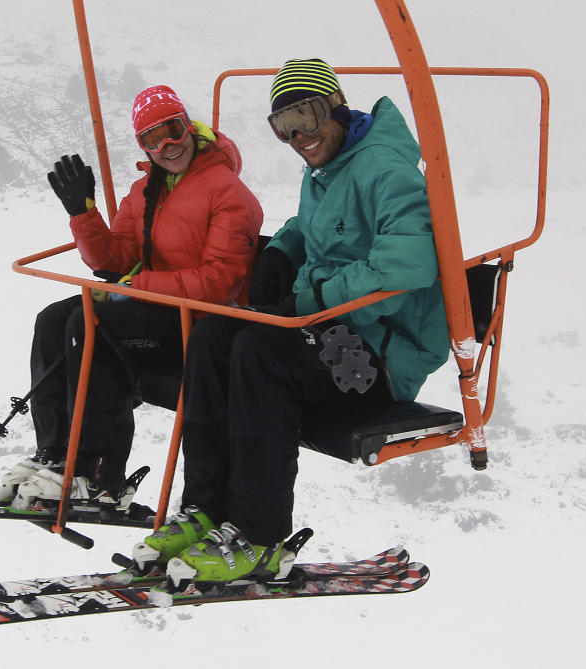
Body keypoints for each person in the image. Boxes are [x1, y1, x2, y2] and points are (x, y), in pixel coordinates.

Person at [132, 58, 450, 585]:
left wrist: (314, 296)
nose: (298, 137)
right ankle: (207, 510)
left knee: (261, 354)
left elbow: (407, 263)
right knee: (214, 333)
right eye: (283, 128)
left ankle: (259, 536)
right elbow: (312, 224)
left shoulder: (386, 169)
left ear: (335, 106)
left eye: (304, 117)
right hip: (334, 333)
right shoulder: (328, 167)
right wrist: (282, 249)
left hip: (377, 359)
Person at [0, 85, 264, 511]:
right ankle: (56, 455)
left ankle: (97, 472)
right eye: (152, 139)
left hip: (201, 322)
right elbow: (113, 259)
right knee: (52, 320)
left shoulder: (227, 191)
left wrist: (139, 287)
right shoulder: (145, 191)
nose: (167, 146)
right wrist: (83, 213)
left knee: (91, 324)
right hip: (153, 308)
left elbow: (220, 283)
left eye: (173, 130)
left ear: (190, 127)